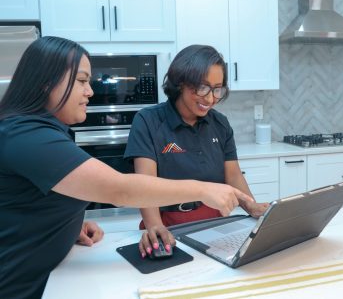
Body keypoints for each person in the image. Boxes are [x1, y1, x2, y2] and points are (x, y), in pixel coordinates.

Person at [0, 37, 252, 299]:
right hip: (19, 287)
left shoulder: (48, 132)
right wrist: (203, 189)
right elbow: (119, 189)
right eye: (83, 81)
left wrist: (69, 224)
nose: (91, 92)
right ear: (46, 83)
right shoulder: (25, 136)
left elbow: (33, 202)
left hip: (50, 278)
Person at [124, 44, 270, 258]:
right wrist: (155, 227)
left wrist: (253, 207)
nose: (210, 99)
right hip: (169, 223)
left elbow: (233, 175)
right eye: (203, 87)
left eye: (217, 89)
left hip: (216, 222)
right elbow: (145, 185)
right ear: (181, 83)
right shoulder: (148, 121)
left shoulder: (220, 124)